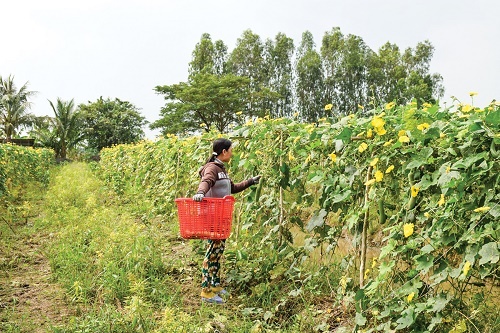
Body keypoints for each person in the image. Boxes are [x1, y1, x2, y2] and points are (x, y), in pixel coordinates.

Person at [193, 138, 261, 304]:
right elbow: (206, 181)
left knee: (218, 251)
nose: (232, 153)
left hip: (221, 216)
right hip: (212, 217)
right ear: (224, 152)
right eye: (231, 150)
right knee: (212, 252)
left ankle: (215, 285)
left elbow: (233, 188)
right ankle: (206, 291)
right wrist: (201, 193)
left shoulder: (221, 169)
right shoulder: (212, 168)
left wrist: (251, 181)